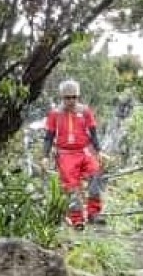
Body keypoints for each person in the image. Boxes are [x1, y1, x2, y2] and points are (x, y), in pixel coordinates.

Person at [43, 79, 106, 228]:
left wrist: (99, 151)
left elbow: (93, 133)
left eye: (74, 97)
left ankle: (94, 213)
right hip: (65, 154)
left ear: (78, 97)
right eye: (67, 97)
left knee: (95, 172)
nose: (71, 100)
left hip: (83, 151)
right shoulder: (55, 114)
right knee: (71, 186)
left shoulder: (85, 112)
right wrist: (45, 156)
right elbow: (49, 136)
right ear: (62, 97)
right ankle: (76, 219)